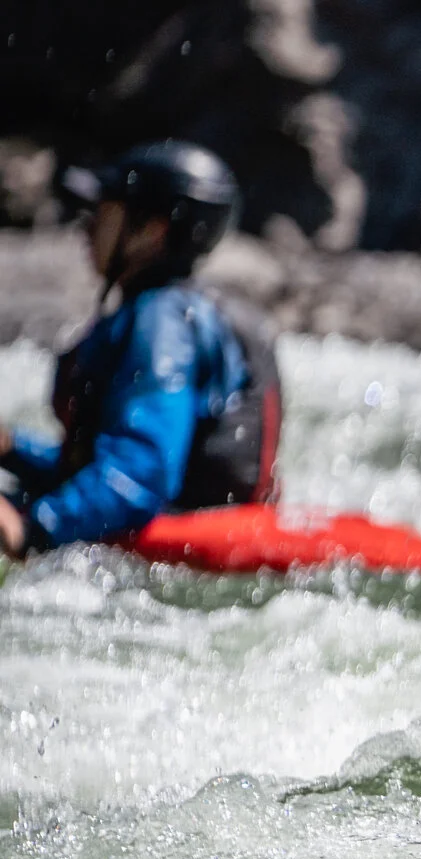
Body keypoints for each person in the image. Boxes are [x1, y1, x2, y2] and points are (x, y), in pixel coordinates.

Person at [0, 140, 280, 561]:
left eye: (105, 211)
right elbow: (102, 464)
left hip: (169, 545)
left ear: (151, 231)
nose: (87, 225)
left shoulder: (163, 322)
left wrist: (30, 530)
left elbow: (139, 476)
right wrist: (12, 449)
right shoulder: (168, 310)